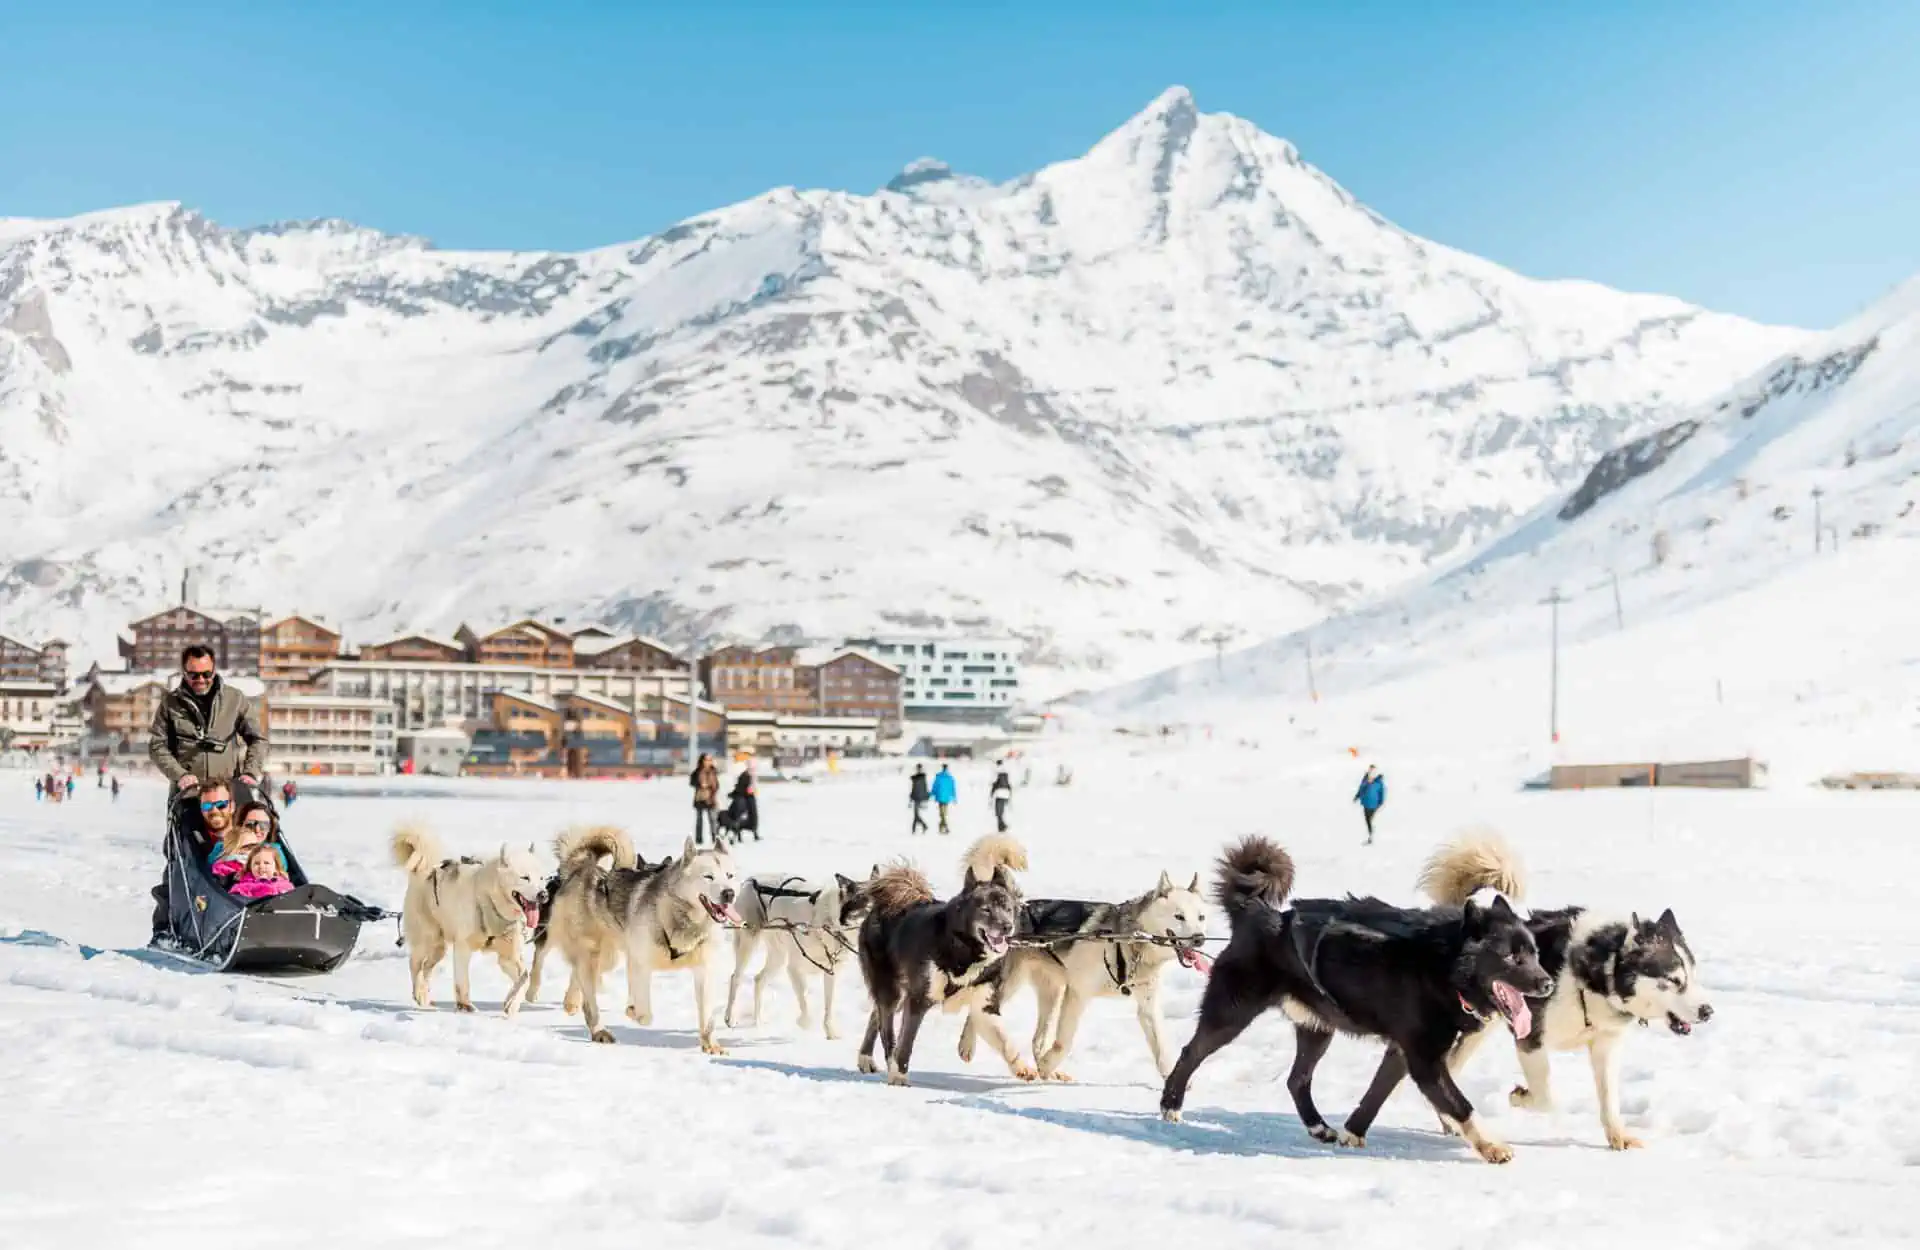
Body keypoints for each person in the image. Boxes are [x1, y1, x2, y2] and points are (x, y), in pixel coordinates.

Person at [147, 645, 270, 941]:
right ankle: (167, 927)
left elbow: (257, 738)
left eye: (206, 674)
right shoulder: (171, 704)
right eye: (193, 675)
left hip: (228, 799)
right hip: (187, 799)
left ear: (214, 670)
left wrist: (251, 773)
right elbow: (157, 746)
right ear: (184, 672)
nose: (200, 680)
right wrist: (180, 775)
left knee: (236, 855)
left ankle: (246, 913)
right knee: (181, 861)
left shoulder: (234, 700)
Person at [226, 844, 294, 901]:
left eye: (266, 863)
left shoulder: (284, 884)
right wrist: (263, 884)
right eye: (257, 863)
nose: (261, 866)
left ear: (276, 868)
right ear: (250, 867)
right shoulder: (244, 886)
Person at [690, 752, 720, 846]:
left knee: (713, 819)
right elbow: (692, 782)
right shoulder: (697, 771)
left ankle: (715, 839)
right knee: (699, 820)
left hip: (710, 798)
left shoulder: (713, 771)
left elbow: (717, 784)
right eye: (706, 760)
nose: (708, 762)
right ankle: (699, 840)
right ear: (702, 761)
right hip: (700, 797)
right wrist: (700, 785)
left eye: (710, 760)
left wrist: (712, 788)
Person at [724, 765, 760, 842]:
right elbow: (742, 788)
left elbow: (741, 788)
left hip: (744, 799)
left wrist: (733, 794)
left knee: (739, 818)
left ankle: (736, 836)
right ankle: (738, 836)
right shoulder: (746, 776)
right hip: (745, 800)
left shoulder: (748, 776)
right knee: (743, 818)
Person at [1354, 764, 1386, 845]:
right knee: (1367, 819)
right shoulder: (1365, 779)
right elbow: (1361, 789)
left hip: (1374, 805)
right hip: (1366, 803)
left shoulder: (1378, 782)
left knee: (1369, 819)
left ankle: (1371, 835)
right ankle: (1370, 834)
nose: (1371, 772)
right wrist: (1357, 796)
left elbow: (1381, 793)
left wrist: (1380, 802)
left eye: (1373, 771)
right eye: (1370, 770)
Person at [930, 763, 957, 835]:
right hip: (946, 798)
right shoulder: (949, 777)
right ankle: (943, 827)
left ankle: (942, 827)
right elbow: (953, 788)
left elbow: (934, 787)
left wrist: (931, 794)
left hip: (940, 797)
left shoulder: (939, 777)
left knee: (942, 814)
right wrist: (954, 797)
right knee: (943, 814)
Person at [990, 760, 1014, 834]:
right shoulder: (1006, 771)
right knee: (1001, 810)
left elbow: (994, 784)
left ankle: (1001, 826)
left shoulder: (996, 771)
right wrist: (1009, 793)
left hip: (999, 793)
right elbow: (1009, 784)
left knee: (998, 812)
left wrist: (991, 793)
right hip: (1005, 793)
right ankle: (1002, 825)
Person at [907, 764, 930, 834]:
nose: (918, 769)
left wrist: (926, 797)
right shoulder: (918, 778)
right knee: (916, 814)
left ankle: (923, 826)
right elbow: (914, 789)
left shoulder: (919, 778)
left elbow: (924, 789)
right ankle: (915, 829)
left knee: (916, 814)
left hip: (918, 798)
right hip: (916, 797)